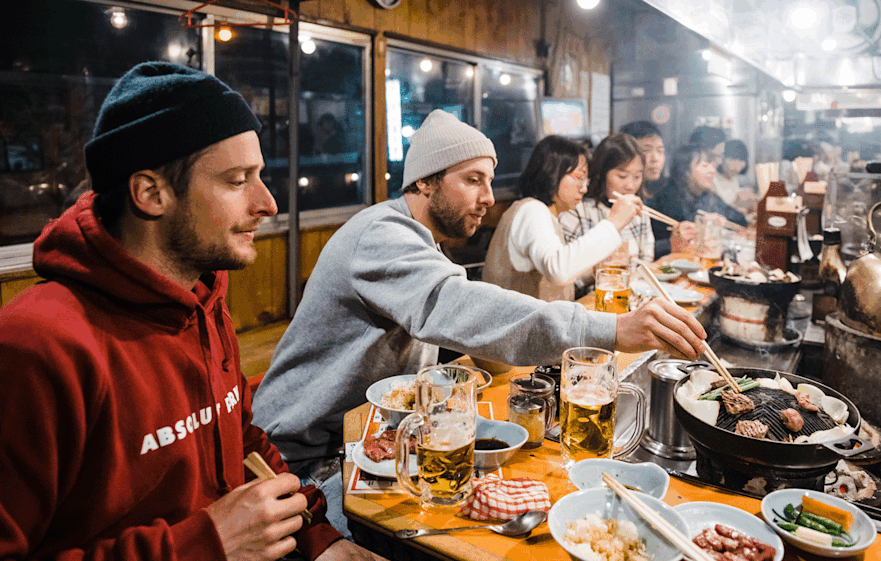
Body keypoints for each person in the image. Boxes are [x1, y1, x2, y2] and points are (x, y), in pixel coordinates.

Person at [0, 62, 407, 561]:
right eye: (237, 181)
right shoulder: (34, 348)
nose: (268, 203)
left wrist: (316, 535)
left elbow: (240, 441)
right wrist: (202, 548)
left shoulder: (201, 296)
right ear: (150, 193)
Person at [252, 110, 707, 536]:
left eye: (489, 180)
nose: (488, 198)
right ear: (426, 183)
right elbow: (454, 304)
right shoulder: (382, 235)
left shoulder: (425, 243)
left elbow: (467, 328)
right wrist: (608, 328)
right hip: (304, 464)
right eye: (473, 180)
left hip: (375, 441)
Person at [481, 134, 642, 301]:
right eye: (579, 178)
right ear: (552, 172)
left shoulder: (547, 214)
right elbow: (558, 270)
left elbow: (559, 277)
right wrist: (614, 222)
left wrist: (595, 269)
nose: (584, 188)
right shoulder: (532, 210)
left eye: (586, 181)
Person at [559, 133, 655, 277]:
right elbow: (565, 277)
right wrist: (600, 267)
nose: (630, 185)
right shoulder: (577, 211)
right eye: (622, 176)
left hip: (633, 294)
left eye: (637, 177)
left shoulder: (639, 211)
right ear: (602, 174)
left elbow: (647, 260)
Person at [651, 144, 748, 258]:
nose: (712, 171)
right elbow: (654, 247)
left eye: (713, 165)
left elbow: (740, 220)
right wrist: (705, 225)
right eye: (705, 165)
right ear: (686, 170)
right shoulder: (668, 197)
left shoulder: (706, 195)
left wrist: (723, 222)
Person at [619, 120, 666, 200]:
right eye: (646, 150)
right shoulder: (623, 195)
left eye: (660, 151)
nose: (655, 159)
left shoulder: (665, 193)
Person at [713, 139, 756, 221]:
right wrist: (736, 203)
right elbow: (716, 212)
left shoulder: (734, 178)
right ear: (722, 158)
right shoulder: (713, 178)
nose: (738, 164)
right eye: (733, 158)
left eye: (741, 160)